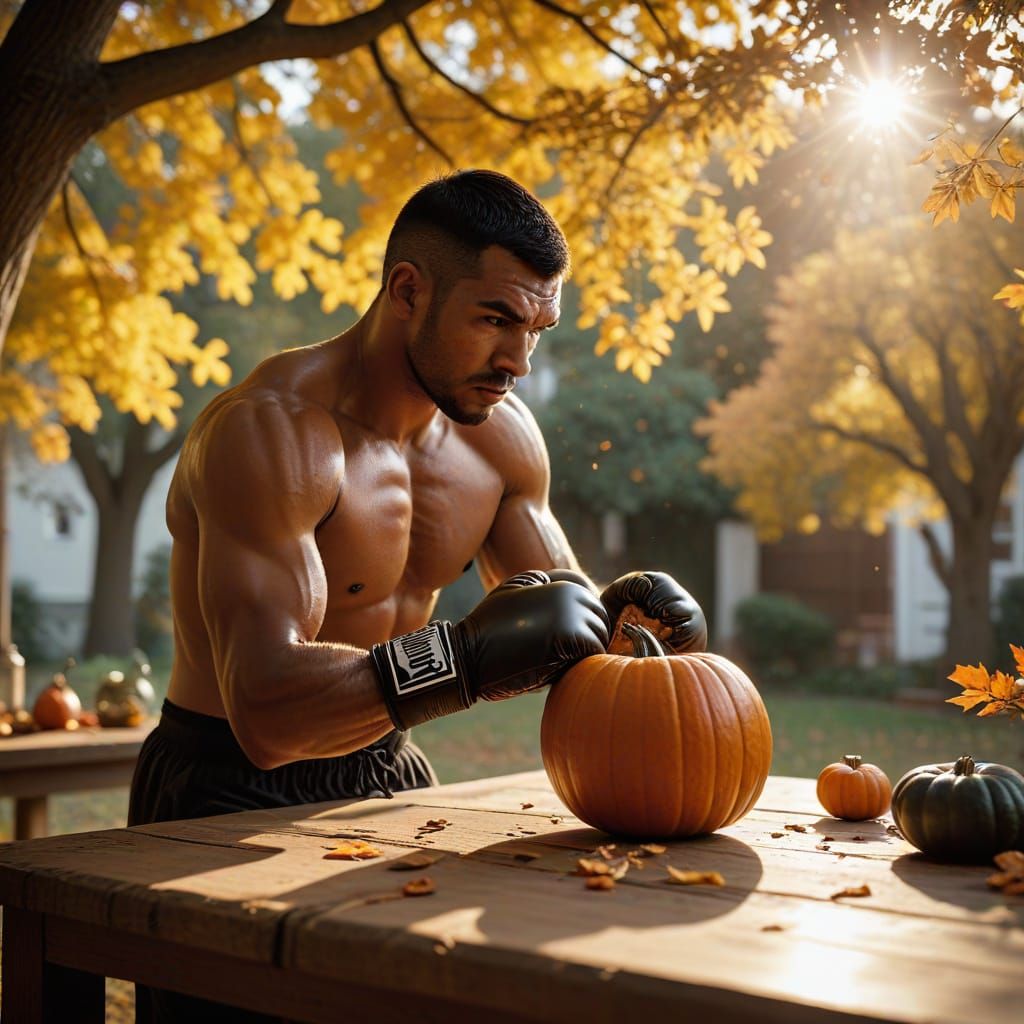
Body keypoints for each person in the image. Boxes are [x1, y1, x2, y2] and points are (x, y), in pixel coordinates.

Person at [128, 169, 706, 1023]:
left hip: (387, 767)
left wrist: (627, 625)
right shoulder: (272, 433)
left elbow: (560, 624)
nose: (517, 360)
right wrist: (464, 659)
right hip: (228, 783)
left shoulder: (498, 441)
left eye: (537, 330)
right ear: (408, 290)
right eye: (495, 320)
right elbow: (267, 712)